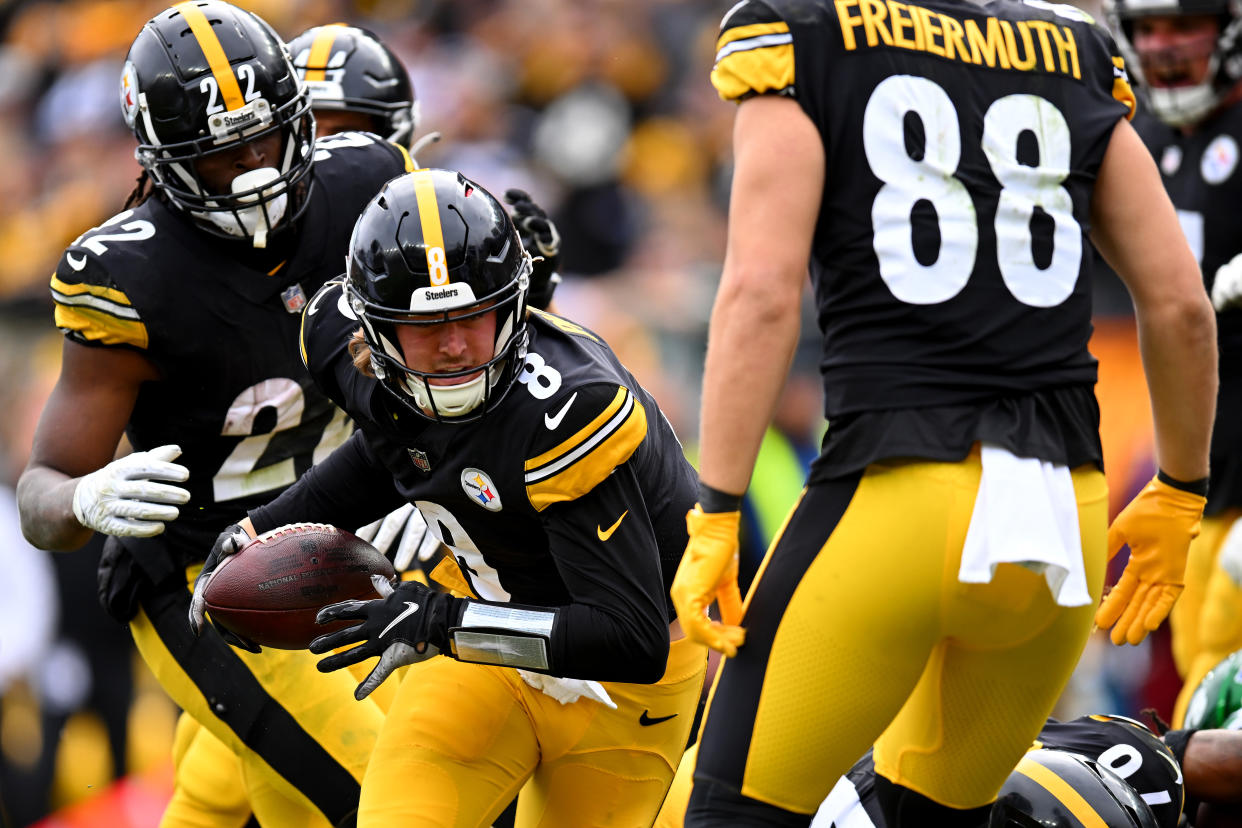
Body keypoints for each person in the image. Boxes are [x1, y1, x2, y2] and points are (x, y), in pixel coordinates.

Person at [670, 0, 1218, 825]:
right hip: (1062, 524)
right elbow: (1180, 306)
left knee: (726, 814)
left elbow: (761, 291)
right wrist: (1181, 488)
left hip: (897, 497)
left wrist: (716, 507)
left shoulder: (806, 28)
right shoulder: (1070, 44)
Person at [189, 167, 708, 828]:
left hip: (622, 683)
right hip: (481, 647)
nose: (456, 346)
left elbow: (629, 638)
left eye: (472, 316)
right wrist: (259, 528)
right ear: (373, 331)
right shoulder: (350, 352)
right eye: (426, 327)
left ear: (513, 305)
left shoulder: (566, 412)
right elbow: (387, 449)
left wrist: (442, 623)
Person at [15, 2, 416, 825]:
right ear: (160, 163)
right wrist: (81, 499)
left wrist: (422, 485)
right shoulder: (132, 276)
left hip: (341, 536)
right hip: (210, 580)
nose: (255, 169)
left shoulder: (365, 184)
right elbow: (41, 492)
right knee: (399, 796)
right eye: (222, 156)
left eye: (265, 138)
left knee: (262, 801)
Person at [1108, 0, 1242, 728]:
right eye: (1149, 28)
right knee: (1200, 679)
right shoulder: (1142, 137)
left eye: (1183, 23)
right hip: (1201, 471)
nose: (1164, 45)